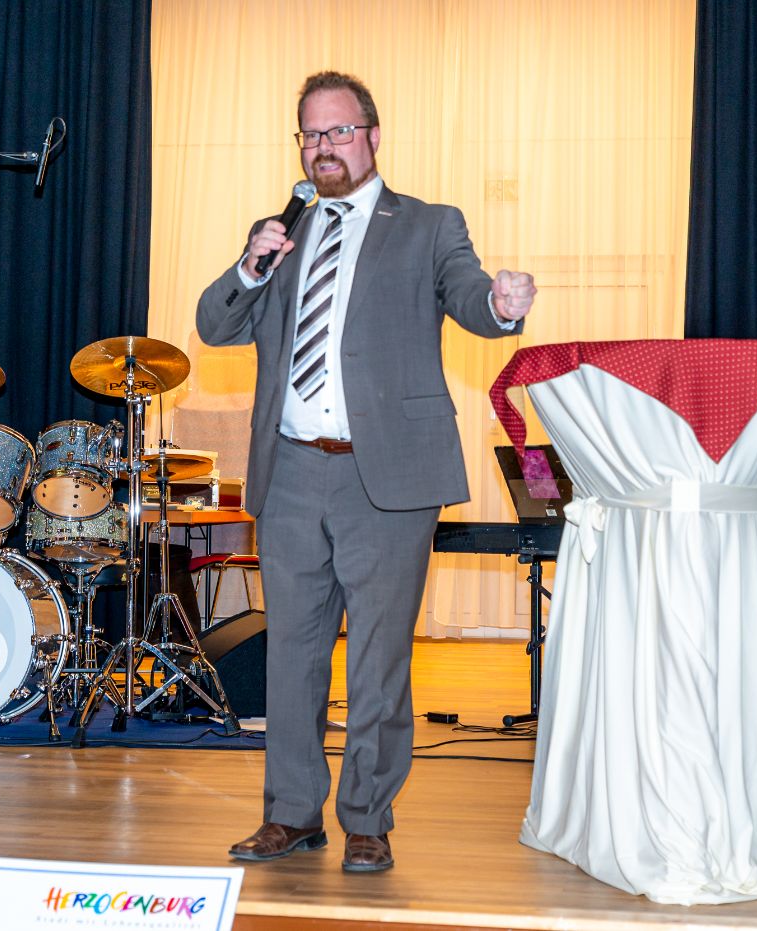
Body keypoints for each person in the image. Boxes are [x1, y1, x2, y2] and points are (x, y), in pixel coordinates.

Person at [195, 71, 535, 873]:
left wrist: (503, 305)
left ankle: (368, 817)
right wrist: (251, 266)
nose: (324, 147)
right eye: (311, 134)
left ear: (373, 137)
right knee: (292, 654)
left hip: (386, 479)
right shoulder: (281, 233)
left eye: (339, 131)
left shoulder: (427, 225)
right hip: (290, 472)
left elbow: (471, 297)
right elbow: (214, 325)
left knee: (379, 658)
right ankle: (290, 813)